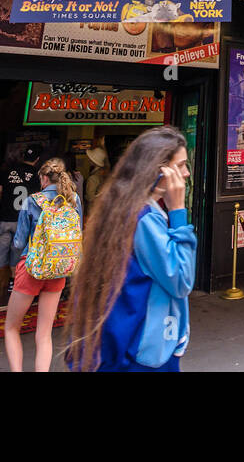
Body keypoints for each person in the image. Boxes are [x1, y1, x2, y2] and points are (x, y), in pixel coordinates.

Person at [66, 126, 196, 371]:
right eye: (181, 165)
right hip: (146, 350)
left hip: (122, 342)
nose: (186, 173)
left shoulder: (125, 206)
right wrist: (178, 212)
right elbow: (181, 279)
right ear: (159, 169)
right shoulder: (144, 217)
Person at [5, 158, 81, 372]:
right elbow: (79, 233)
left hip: (31, 269)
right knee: (44, 333)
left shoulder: (32, 201)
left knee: (12, 328)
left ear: (45, 178)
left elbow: (19, 242)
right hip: (58, 270)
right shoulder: (73, 199)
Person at [0, 144, 41, 297]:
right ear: (37, 159)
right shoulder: (37, 175)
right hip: (23, 221)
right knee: (17, 254)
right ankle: (13, 282)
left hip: (4, 217)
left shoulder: (8, 171)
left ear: (23, 157)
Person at [83, 144, 111, 211]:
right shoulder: (101, 174)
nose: (89, 159)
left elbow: (90, 197)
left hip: (93, 208)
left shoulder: (93, 177)